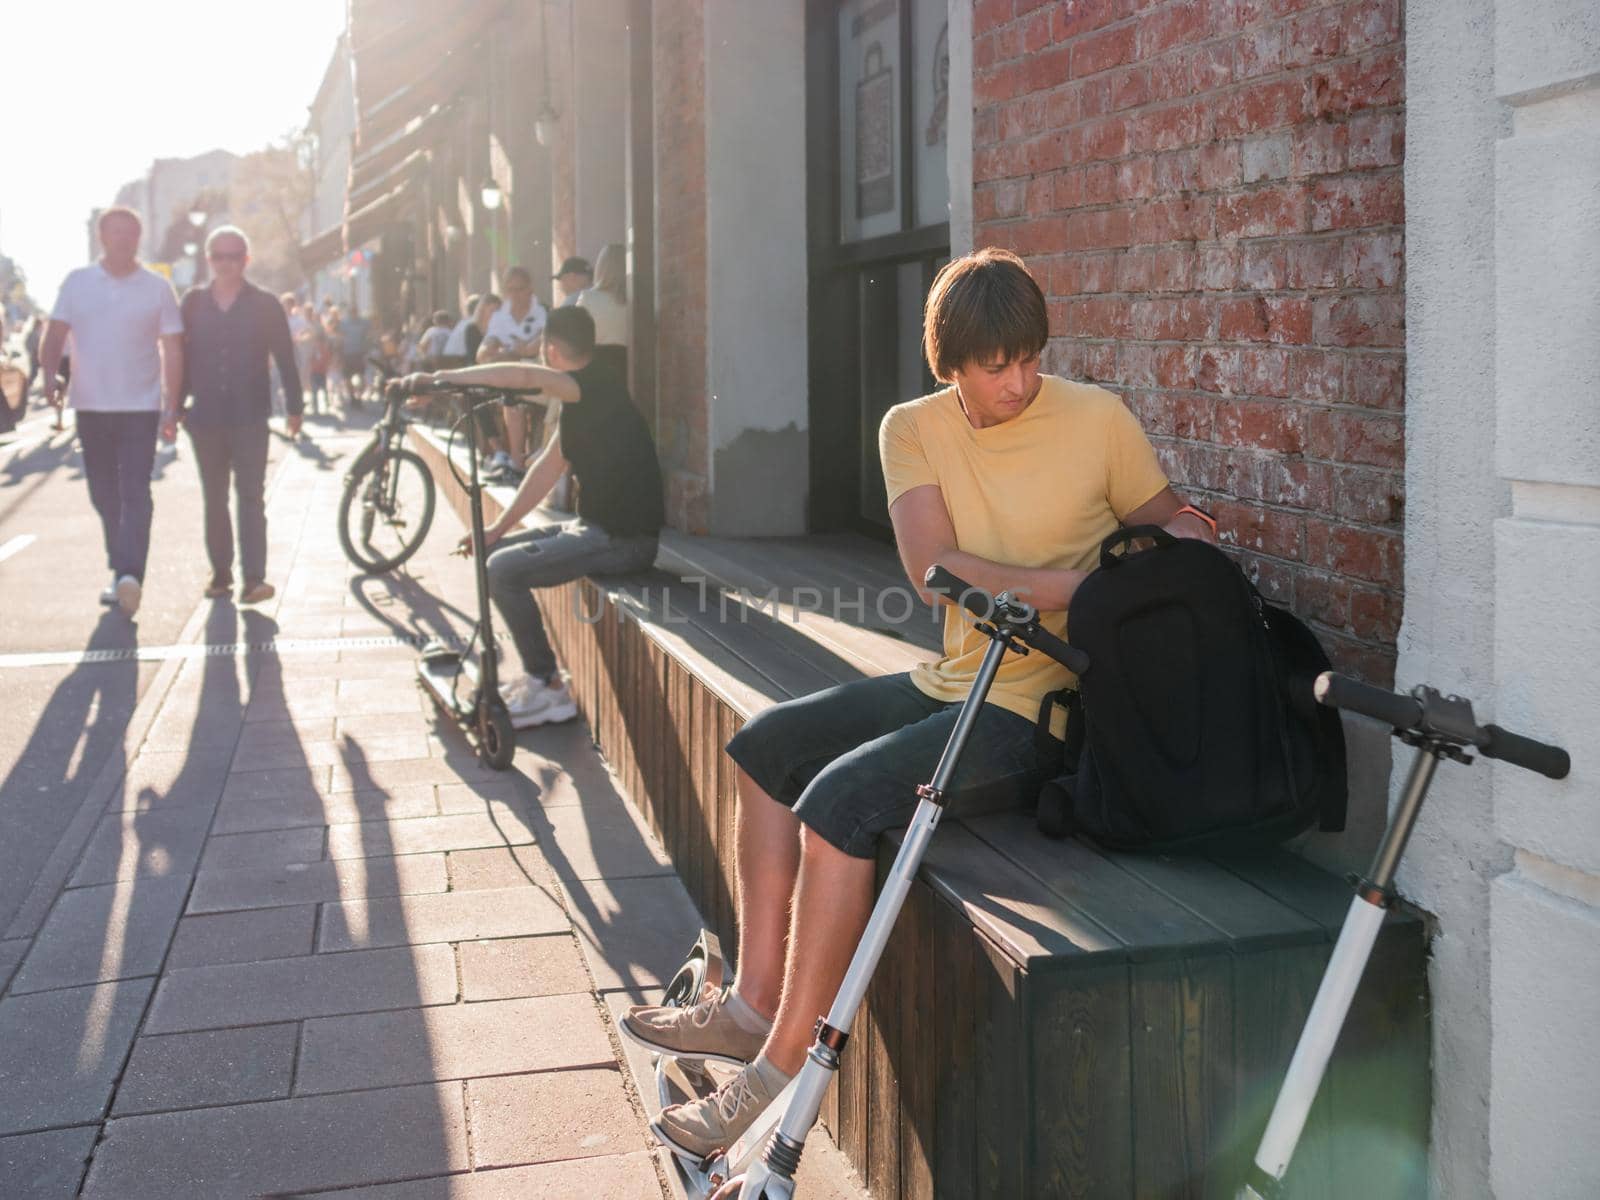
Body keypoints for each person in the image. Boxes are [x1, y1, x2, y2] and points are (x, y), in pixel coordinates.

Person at [618, 248, 1221, 1159]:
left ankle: (779, 1069)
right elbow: (935, 570)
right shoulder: (914, 428)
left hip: (1047, 707)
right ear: (952, 365)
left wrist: (1163, 549)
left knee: (837, 803)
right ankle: (749, 1004)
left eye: (1030, 358)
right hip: (956, 678)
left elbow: (1181, 527)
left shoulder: (1097, 419)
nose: (1019, 382)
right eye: (995, 365)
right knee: (764, 747)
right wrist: (1086, 581)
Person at [408, 304, 663, 728]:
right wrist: (495, 528)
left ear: (551, 349)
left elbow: (524, 377)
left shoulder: (591, 385)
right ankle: (542, 678)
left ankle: (547, 686)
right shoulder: (589, 396)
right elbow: (547, 468)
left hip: (623, 541)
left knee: (503, 571)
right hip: (600, 529)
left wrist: (442, 378)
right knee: (499, 555)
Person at [40, 207, 183, 616]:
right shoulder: (77, 283)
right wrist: (50, 376)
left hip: (140, 407)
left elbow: (173, 347)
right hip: (91, 406)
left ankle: (129, 575)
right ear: (102, 238)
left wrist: (171, 405)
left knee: (136, 490)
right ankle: (122, 571)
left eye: (130, 234)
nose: (122, 240)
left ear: (139, 239)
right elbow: (54, 336)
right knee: (104, 494)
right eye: (115, 233)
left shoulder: (157, 288)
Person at [178, 226, 303, 604]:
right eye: (219, 256)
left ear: (246, 260)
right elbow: (181, 358)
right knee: (214, 498)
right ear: (209, 259)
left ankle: (254, 579)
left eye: (234, 256)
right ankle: (220, 575)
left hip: (251, 416)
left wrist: (295, 408)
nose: (227, 263)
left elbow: (285, 357)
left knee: (250, 496)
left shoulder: (265, 304)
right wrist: (175, 407)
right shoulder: (193, 303)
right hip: (205, 418)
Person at [477, 267, 547, 476]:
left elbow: (540, 344)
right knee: (477, 396)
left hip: (537, 376)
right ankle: (501, 453)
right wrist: (488, 349)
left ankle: (516, 460)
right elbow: (485, 349)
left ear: (530, 288)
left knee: (511, 397)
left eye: (520, 289)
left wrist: (519, 351)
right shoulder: (500, 316)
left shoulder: (544, 312)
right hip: (509, 375)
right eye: (510, 290)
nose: (515, 295)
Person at [577, 243, 628, 377]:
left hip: (594, 365)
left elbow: (575, 334)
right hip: (628, 365)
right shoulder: (634, 300)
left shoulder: (587, 298)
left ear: (601, 267)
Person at [339, 306, 372, 406]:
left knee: (361, 376)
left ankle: (359, 397)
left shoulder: (364, 323)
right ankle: (352, 396)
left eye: (355, 311)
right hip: (347, 353)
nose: (353, 313)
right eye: (352, 312)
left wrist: (367, 348)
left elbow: (369, 334)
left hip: (360, 353)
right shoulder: (344, 323)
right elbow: (340, 336)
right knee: (347, 377)